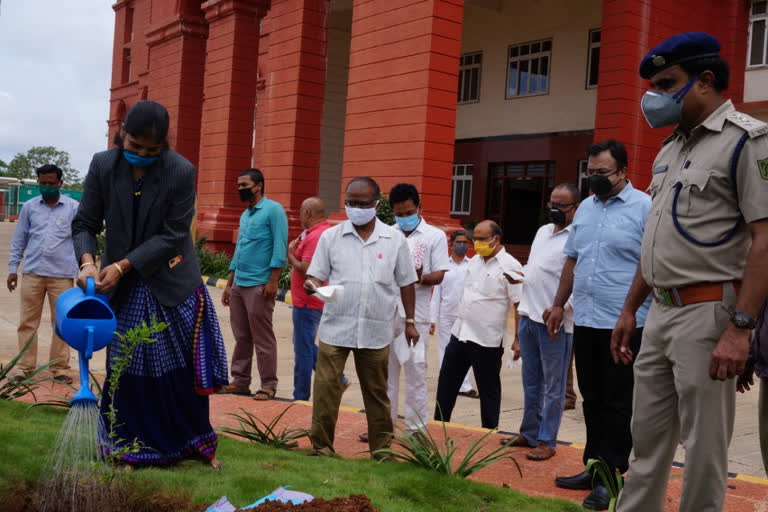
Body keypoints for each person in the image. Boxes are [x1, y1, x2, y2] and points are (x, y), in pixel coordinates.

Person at [612, 33, 768, 512]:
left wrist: (740, 329)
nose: (653, 97)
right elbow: (655, 241)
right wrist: (629, 308)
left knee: (703, 447)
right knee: (647, 439)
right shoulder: (668, 150)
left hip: (710, 311)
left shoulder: (747, 140)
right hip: (660, 310)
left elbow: (765, 238)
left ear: (704, 81)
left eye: (665, 84)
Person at [73, 100, 228, 467]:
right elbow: (84, 223)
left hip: (171, 282)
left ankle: (189, 442)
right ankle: (127, 445)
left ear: (164, 147)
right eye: (135, 147)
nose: (142, 155)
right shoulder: (103, 165)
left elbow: (174, 234)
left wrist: (125, 265)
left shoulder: (179, 171)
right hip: (121, 287)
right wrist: (88, 264)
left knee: (179, 371)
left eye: (151, 151)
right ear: (121, 134)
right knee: (127, 367)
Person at [547, 140, 651, 511]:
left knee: (618, 401)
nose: (594, 179)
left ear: (623, 170)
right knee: (592, 398)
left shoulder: (644, 207)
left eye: (602, 173)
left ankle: (613, 476)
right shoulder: (586, 210)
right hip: (587, 320)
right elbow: (572, 262)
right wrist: (559, 305)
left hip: (626, 324)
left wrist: (630, 310)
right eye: (589, 172)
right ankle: (594, 467)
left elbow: (648, 265)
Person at [304, 176, 419, 458]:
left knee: (377, 393)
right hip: (336, 326)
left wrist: (411, 322)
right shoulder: (332, 237)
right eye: (350, 203)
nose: (356, 208)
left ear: (376, 204)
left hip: (376, 329)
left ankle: (381, 451)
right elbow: (315, 275)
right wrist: (312, 285)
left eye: (362, 203)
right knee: (326, 389)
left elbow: (406, 282)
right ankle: (321, 447)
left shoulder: (393, 240)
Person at [501, 184, 579, 461]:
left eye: (562, 206)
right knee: (530, 380)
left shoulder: (579, 235)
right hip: (529, 315)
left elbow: (580, 280)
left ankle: (548, 440)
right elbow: (535, 269)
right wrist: (518, 277)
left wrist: (563, 307)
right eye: (551, 204)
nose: (555, 210)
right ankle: (529, 432)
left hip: (555, 322)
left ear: (576, 208)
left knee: (554, 386)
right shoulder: (543, 232)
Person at [434, 220, 523, 429]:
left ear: (496, 239)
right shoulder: (474, 262)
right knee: (446, 384)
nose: (477, 244)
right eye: (475, 240)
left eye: (482, 239)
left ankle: (488, 434)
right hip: (460, 333)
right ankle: (437, 428)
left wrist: (518, 339)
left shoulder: (510, 265)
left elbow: (520, 305)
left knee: (488, 389)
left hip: (487, 340)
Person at [383, 183, 449, 437]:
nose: (404, 218)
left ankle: (416, 430)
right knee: (385, 376)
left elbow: (440, 275)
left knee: (415, 376)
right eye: (399, 214)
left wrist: (415, 278)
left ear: (419, 207)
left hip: (417, 316)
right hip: (388, 314)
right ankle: (383, 426)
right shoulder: (387, 234)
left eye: (408, 212)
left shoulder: (434, 236)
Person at [219, 168, 288, 400]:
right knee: (241, 336)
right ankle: (240, 381)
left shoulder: (274, 210)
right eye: (238, 185)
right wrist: (229, 284)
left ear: (258, 185)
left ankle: (268, 384)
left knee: (262, 336)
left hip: (260, 284)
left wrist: (273, 280)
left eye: (244, 185)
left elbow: (280, 246)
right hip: (239, 283)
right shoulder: (246, 214)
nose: (240, 189)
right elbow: (239, 250)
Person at [8, 164, 79, 384]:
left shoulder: (74, 208)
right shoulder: (29, 207)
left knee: (62, 323)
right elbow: (19, 240)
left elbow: (81, 239)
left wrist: (85, 268)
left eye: (51, 183)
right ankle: (24, 366)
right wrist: (13, 269)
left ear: (60, 183)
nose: (46, 187)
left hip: (62, 276)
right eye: (43, 183)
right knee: (27, 322)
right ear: (38, 182)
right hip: (33, 273)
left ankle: (59, 368)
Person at [286, 196, 348, 401]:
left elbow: (307, 270)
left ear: (307, 213)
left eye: (301, 212)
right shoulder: (318, 232)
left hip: (308, 300)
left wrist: (291, 254)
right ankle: (339, 379)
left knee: (303, 349)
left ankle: (301, 395)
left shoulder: (316, 236)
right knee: (303, 344)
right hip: (308, 300)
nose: (299, 216)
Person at [430, 229, 475, 398]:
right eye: (459, 242)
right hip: (446, 315)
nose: (462, 245)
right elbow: (436, 295)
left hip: (466, 316)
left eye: (465, 242)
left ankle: (465, 386)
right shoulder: (443, 267)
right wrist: (432, 319)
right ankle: (447, 383)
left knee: (467, 351)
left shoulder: (472, 266)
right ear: (451, 244)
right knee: (446, 350)